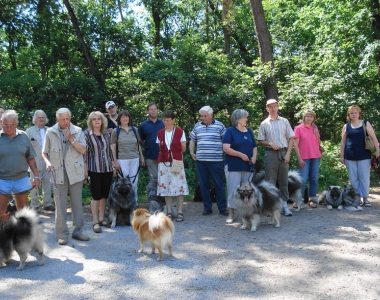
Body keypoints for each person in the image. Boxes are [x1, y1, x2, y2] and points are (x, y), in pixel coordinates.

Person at [42, 108, 89, 245]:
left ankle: (78, 231)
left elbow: (83, 150)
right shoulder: (50, 132)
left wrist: (70, 138)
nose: (66, 122)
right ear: (57, 119)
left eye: (68, 119)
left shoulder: (78, 131)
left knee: (77, 204)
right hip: (58, 172)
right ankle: (62, 234)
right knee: (60, 205)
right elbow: (44, 153)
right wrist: (47, 162)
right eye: (63, 119)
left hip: (75, 171)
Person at [0, 110, 40, 221]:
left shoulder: (24, 136)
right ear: (1, 123)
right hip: (2, 179)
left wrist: (36, 176)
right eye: (5, 125)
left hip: (21, 179)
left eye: (11, 125)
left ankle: (21, 237)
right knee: (1, 213)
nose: (8, 128)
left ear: (16, 124)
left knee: (23, 214)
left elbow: (30, 158)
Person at [258, 99, 295, 216]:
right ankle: (271, 207)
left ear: (278, 107)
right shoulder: (264, 123)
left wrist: (288, 153)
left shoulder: (284, 121)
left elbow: (291, 138)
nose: (273, 108)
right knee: (270, 181)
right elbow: (260, 140)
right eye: (270, 107)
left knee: (284, 180)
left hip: (284, 152)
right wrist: (269, 143)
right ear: (267, 109)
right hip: (270, 153)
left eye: (275, 106)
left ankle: (284, 206)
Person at [189, 105, 228, 216]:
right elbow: (192, 140)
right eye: (201, 116)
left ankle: (222, 207)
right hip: (201, 161)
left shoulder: (219, 125)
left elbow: (225, 141)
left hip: (216, 160)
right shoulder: (197, 126)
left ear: (211, 115)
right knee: (203, 184)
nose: (203, 118)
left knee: (219, 184)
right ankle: (207, 208)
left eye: (205, 116)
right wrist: (192, 152)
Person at [340, 105, 380, 207]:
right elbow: (343, 142)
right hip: (349, 156)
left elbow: (374, 138)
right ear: (349, 115)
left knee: (364, 178)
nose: (354, 114)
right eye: (351, 113)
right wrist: (342, 156)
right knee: (353, 179)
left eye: (355, 112)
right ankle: (357, 198)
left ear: (359, 114)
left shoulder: (365, 123)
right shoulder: (346, 126)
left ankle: (365, 199)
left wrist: (378, 150)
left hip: (364, 155)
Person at [223, 109, 257, 223]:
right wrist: (241, 155)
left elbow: (254, 147)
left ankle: (246, 215)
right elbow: (226, 148)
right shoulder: (230, 131)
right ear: (238, 119)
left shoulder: (249, 131)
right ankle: (231, 214)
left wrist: (254, 157)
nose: (246, 119)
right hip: (233, 165)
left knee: (247, 190)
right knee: (233, 190)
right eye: (244, 117)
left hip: (247, 165)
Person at [84, 111, 114, 233]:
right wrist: (85, 168)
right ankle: (95, 221)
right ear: (91, 122)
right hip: (94, 168)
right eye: (94, 119)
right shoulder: (86, 135)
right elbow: (84, 153)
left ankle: (102, 219)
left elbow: (109, 152)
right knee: (96, 195)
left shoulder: (106, 134)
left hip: (107, 168)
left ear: (102, 121)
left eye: (99, 119)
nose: (96, 121)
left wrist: (113, 166)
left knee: (104, 195)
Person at [156, 110, 189, 222]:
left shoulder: (180, 132)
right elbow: (159, 147)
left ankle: (180, 211)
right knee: (166, 187)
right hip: (163, 163)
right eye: (164, 120)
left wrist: (172, 150)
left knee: (179, 187)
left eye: (168, 120)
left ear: (173, 120)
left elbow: (183, 148)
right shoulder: (160, 133)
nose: (166, 122)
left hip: (176, 162)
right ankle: (169, 211)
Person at [111, 110, 145, 208]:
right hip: (122, 159)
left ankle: (135, 202)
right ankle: (123, 204)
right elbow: (112, 147)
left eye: (127, 117)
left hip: (135, 158)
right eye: (123, 117)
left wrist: (141, 157)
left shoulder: (134, 129)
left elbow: (138, 145)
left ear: (129, 118)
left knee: (134, 182)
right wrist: (114, 160)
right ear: (119, 119)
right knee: (124, 184)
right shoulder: (115, 131)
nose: (125, 118)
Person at [26, 110, 54, 212]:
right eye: (39, 117)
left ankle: (47, 204)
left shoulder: (50, 130)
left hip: (47, 162)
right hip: (34, 162)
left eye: (43, 117)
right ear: (35, 119)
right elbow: (26, 148)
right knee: (34, 184)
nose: (41, 119)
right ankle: (35, 206)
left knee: (48, 183)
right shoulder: (29, 131)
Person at [293, 110, 322, 208]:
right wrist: (299, 159)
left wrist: (317, 134)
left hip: (316, 156)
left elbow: (319, 143)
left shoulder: (315, 127)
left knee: (314, 179)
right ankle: (298, 200)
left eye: (311, 116)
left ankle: (312, 198)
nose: (309, 118)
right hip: (304, 157)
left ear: (314, 118)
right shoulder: (298, 128)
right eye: (307, 116)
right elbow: (295, 145)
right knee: (303, 179)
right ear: (304, 117)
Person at [138, 103, 164, 180]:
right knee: (154, 180)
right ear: (148, 111)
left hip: (164, 156)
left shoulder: (163, 123)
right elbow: (140, 140)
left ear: (157, 111)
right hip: (150, 156)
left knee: (164, 179)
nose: (153, 111)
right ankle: (154, 192)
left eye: (155, 109)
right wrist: (147, 146)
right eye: (151, 109)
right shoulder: (143, 125)